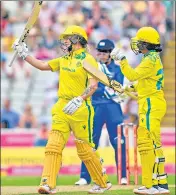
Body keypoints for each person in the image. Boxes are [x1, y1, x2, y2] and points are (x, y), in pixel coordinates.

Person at [12, 25, 112, 194]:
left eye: (68, 38)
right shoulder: (64, 59)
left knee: (85, 149)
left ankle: (102, 183)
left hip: (81, 108)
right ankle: (47, 184)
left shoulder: (88, 59)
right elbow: (43, 65)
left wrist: (80, 99)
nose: (64, 42)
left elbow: (94, 85)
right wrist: (24, 54)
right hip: (62, 107)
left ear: (78, 40)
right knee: (53, 145)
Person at [110, 27, 170, 195]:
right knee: (152, 143)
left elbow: (133, 75)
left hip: (151, 104)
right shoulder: (150, 58)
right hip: (149, 102)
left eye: (140, 42)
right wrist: (127, 89)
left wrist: (122, 60)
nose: (137, 45)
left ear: (147, 44)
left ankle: (152, 185)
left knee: (149, 143)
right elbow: (142, 82)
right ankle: (159, 184)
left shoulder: (151, 60)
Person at [75, 39, 127, 186]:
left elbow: (117, 88)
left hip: (113, 107)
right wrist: (103, 88)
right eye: (99, 51)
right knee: (91, 143)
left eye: (104, 52)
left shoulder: (118, 69)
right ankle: (85, 177)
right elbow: (92, 88)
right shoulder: (93, 68)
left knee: (118, 142)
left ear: (110, 53)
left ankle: (122, 176)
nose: (101, 54)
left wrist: (101, 88)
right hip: (96, 107)